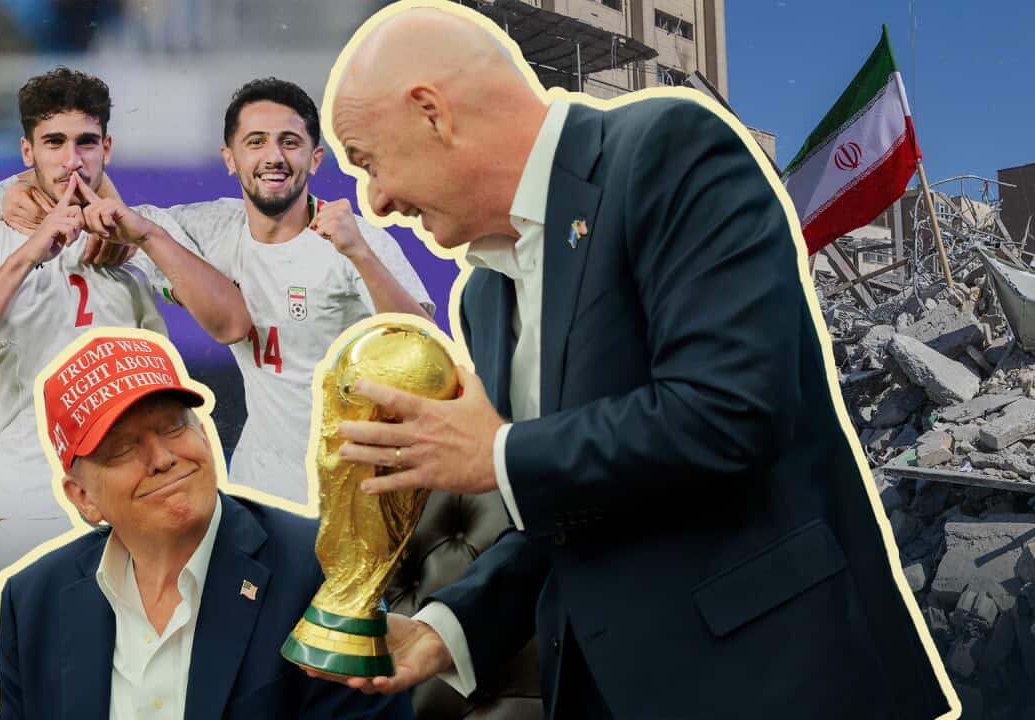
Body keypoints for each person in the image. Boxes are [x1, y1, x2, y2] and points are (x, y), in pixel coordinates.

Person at [316, 4, 955, 719]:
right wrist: (446, 629)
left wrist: (498, 454)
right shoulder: (484, 301)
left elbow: (730, 411)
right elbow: (565, 507)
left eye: (366, 161)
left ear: (431, 112)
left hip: (771, 683)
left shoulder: (669, 149)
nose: (374, 200)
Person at [0, 67, 252, 590]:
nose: (72, 160)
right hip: (28, 503)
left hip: (136, 499)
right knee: (34, 667)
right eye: (54, 142)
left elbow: (232, 323)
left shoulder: (135, 235)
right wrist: (34, 251)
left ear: (108, 148)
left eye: (86, 142)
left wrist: (145, 235)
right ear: (27, 152)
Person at [0, 330, 413, 720]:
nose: (162, 458)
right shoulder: (31, 603)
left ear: (206, 437)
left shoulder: (323, 572)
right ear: (83, 497)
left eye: (174, 426)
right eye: (122, 448)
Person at [164, 77, 433, 505]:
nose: (273, 157)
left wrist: (359, 253)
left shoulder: (355, 238)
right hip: (260, 492)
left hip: (356, 496)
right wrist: (17, 194)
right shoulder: (209, 229)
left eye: (290, 142)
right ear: (229, 159)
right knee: (250, 576)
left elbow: (423, 347)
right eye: (255, 142)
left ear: (315, 159)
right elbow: (125, 218)